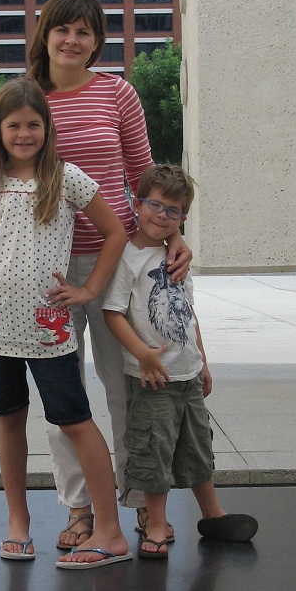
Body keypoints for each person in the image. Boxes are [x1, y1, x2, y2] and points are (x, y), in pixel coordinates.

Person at [0, 77, 131, 569]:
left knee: (74, 421)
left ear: (47, 128)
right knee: (9, 420)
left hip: (49, 329)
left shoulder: (66, 179)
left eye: (33, 124)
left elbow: (114, 233)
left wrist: (89, 290)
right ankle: (18, 524)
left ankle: (110, 532)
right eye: (14, 125)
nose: (24, 134)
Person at [28, 0, 191, 551]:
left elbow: (146, 177)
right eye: (63, 29)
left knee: (128, 387)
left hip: (118, 259)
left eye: (85, 32)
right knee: (63, 395)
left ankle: (140, 501)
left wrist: (175, 234)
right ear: (46, 34)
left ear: (97, 42)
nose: (72, 41)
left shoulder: (117, 92)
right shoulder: (29, 98)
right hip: (48, 271)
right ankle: (79, 508)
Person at [101, 165, 258, 557]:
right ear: (137, 204)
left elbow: (189, 312)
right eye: (155, 205)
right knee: (154, 450)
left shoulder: (177, 256)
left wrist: (203, 361)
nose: (162, 216)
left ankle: (213, 514)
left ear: (183, 218)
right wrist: (142, 354)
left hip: (187, 373)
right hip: (152, 378)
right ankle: (155, 523)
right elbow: (112, 313)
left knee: (197, 446)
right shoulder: (127, 258)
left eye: (173, 211)